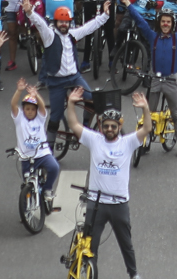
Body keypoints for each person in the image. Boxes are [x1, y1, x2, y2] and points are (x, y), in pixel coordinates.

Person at [64, 86, 150, 279]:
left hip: (119, 204)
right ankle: (90, 274)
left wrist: (145, 108)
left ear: (119, 127)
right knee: (90, 247)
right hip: (96, 204)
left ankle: (134, 274)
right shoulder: (94, 139)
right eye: (105, 126)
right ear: (101, 126)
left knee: (126, 244)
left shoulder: (127, 143)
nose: (109, 129)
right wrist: (71, 104)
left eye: (113, 126)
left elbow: (147, 128)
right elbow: (73, 124)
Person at [123, 0, 177, 158]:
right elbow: (140, 21)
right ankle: (146, 142)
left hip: (171, 80)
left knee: (175, 113)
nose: (165, 24)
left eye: (168, 22)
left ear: (172, 23)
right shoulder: (152, 36)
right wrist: (128, 3)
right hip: (155, 80)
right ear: (159, 23)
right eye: (163, 21)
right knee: (150, 113)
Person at [27, 2, 109, 135]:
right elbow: (40, 24)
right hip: (56, 82)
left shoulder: (73, 34)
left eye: (66, 22)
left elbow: (90, 27)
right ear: (55, 22)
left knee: (93, 101)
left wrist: (105, 15)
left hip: (74, 78)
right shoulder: (49, 35)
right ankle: (49, 149)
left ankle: (85, 127)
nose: (64, 25)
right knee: (55, 117)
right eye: (61, 22)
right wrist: (30, 13)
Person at [9, 79, 59, 205]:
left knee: (54, 167)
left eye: (32, 109)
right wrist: (19, 91)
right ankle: (25, 211)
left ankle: (47, 189)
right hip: (26, 157)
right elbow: (13, 104)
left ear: (36, 110)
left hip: (42, 154)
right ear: (23, 109)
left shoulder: (40, 119)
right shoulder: (19, 119)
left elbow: (42, 106)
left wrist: (36, 95)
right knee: (27, 184)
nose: (30, 111)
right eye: (27, 109)